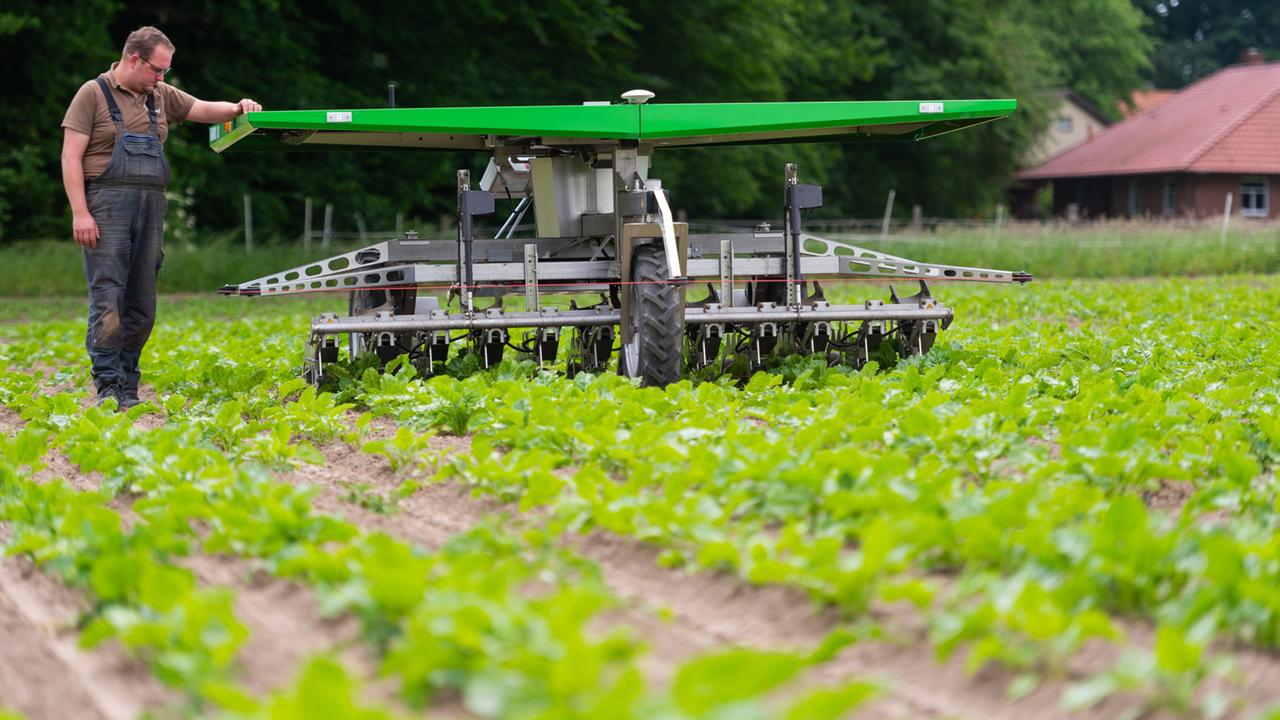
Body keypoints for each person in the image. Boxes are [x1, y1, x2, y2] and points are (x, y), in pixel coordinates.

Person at [60, 26, 262, 410]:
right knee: (108, 296)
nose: (162, 77)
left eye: (165, 71)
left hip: (150, 204)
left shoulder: (159, 95)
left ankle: (128, 382)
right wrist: (80, 212)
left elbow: (202, 108)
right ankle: (107, 384)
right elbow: (71, 156)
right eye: (157, 69)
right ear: (133, 59)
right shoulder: (93, 93)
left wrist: (239, 107)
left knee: (142, 301)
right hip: (106, 203)